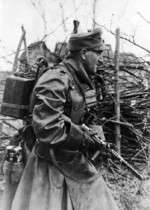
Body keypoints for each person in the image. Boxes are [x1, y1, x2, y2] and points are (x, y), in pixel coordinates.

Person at [2, 28, 118, 210]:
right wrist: (84, 139)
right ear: (84, 53)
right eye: (98, 53)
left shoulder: (75, 78)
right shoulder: (56, 79)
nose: (101, 58)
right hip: (48, 164)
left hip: (70, 158)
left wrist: (95, 135)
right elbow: (48, 129)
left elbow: (73, 116)